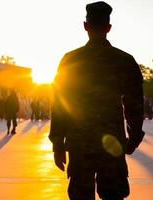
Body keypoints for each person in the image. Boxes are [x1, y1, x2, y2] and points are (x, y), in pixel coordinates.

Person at [49, 2, 145, 199]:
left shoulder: (70, 60)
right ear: (109, 28)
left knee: (80, 194)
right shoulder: (124, 61)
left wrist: (57, 143)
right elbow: (134, 103)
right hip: (111, 144)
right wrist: (133, 137)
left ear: (86, 26)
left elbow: (59, 103)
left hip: (79, 143)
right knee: (113, 195)